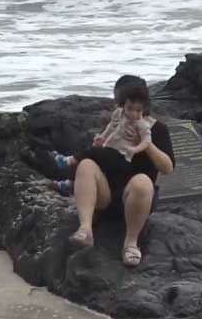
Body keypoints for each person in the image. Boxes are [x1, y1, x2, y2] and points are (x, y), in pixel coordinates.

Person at [44, 76, 173, 267]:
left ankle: (130, 244)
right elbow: (102, 155)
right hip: (105, 196)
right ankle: (85, 228)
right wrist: (101, 142)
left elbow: (167, 168)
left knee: (143, 181)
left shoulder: (156, 130)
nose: (116, 105)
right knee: (86, 164)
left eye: (119, 100)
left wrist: (145, 145)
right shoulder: (118, 124)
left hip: (137, 200)